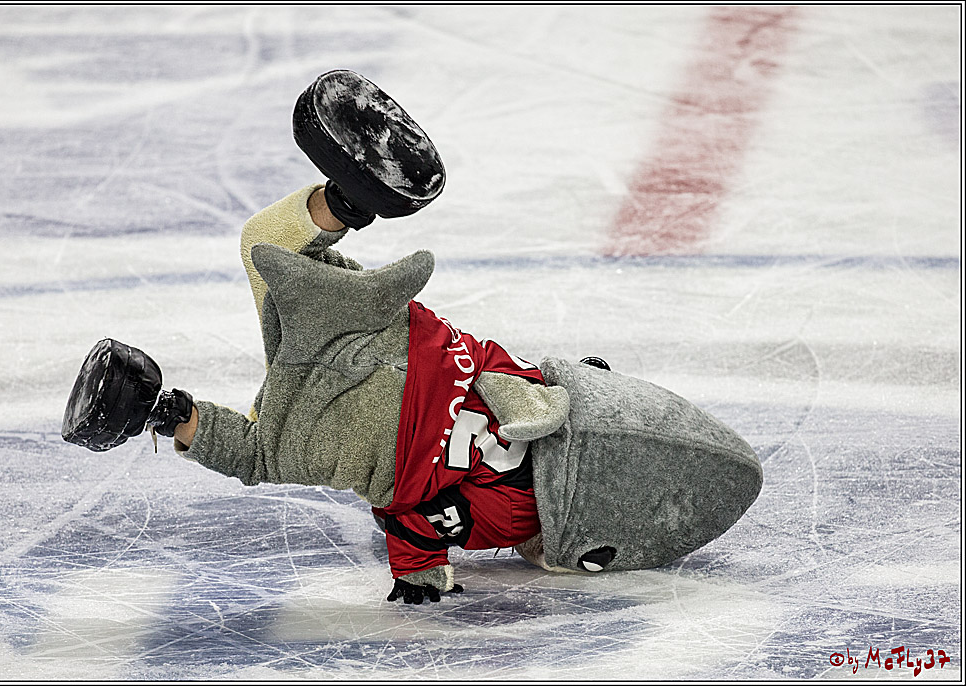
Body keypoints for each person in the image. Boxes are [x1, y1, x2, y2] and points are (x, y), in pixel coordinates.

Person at [63, 70, 763, 605]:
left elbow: (533, 367)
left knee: (268, 251)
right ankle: (154, 409)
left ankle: (346, 201)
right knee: (258, 449)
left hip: (387, 332)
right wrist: (419, 577)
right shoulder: (518, 511)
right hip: (364, 436)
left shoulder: (535, 389)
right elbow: (428, 522)